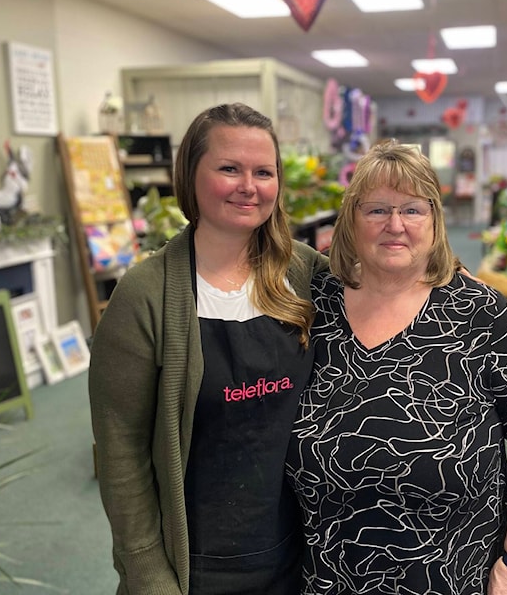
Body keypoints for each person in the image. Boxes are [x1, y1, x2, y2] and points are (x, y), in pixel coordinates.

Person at [286, 140, 507, 595]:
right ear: (351, 219)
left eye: (413, 210)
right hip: (327, 577)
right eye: (377, 210)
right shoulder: (317, 308)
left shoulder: (480, 315)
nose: (395, 225)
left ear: (435, 220)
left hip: (453, 577)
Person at [89, 102, 329, 595]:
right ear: (190, 176)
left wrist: (449, 282)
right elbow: (120, 453)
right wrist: (147, 575)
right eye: (228, 169)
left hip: (298, 556)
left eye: (264, 171)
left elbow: (389, 296)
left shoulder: (308, 274)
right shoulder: (145, 293)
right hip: (193, 566)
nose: (249, 186)